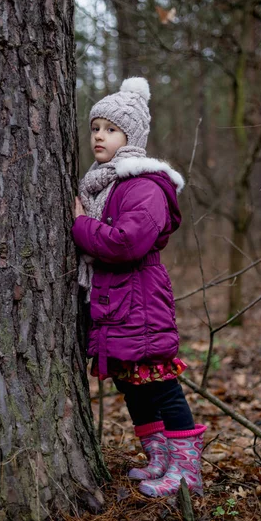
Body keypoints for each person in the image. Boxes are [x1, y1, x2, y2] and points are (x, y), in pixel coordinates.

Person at [72, 77, 207, 498]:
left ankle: (186, 469)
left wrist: (80, 224)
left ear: (131, 137)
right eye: (95, 127)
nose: (99, 136)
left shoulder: (144, 185)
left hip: (140, 299)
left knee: (159, 382)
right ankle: (161, 459)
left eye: (111, 129)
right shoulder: (104, 183)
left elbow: (127, 241)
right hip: (117, 300)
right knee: (131, 382)